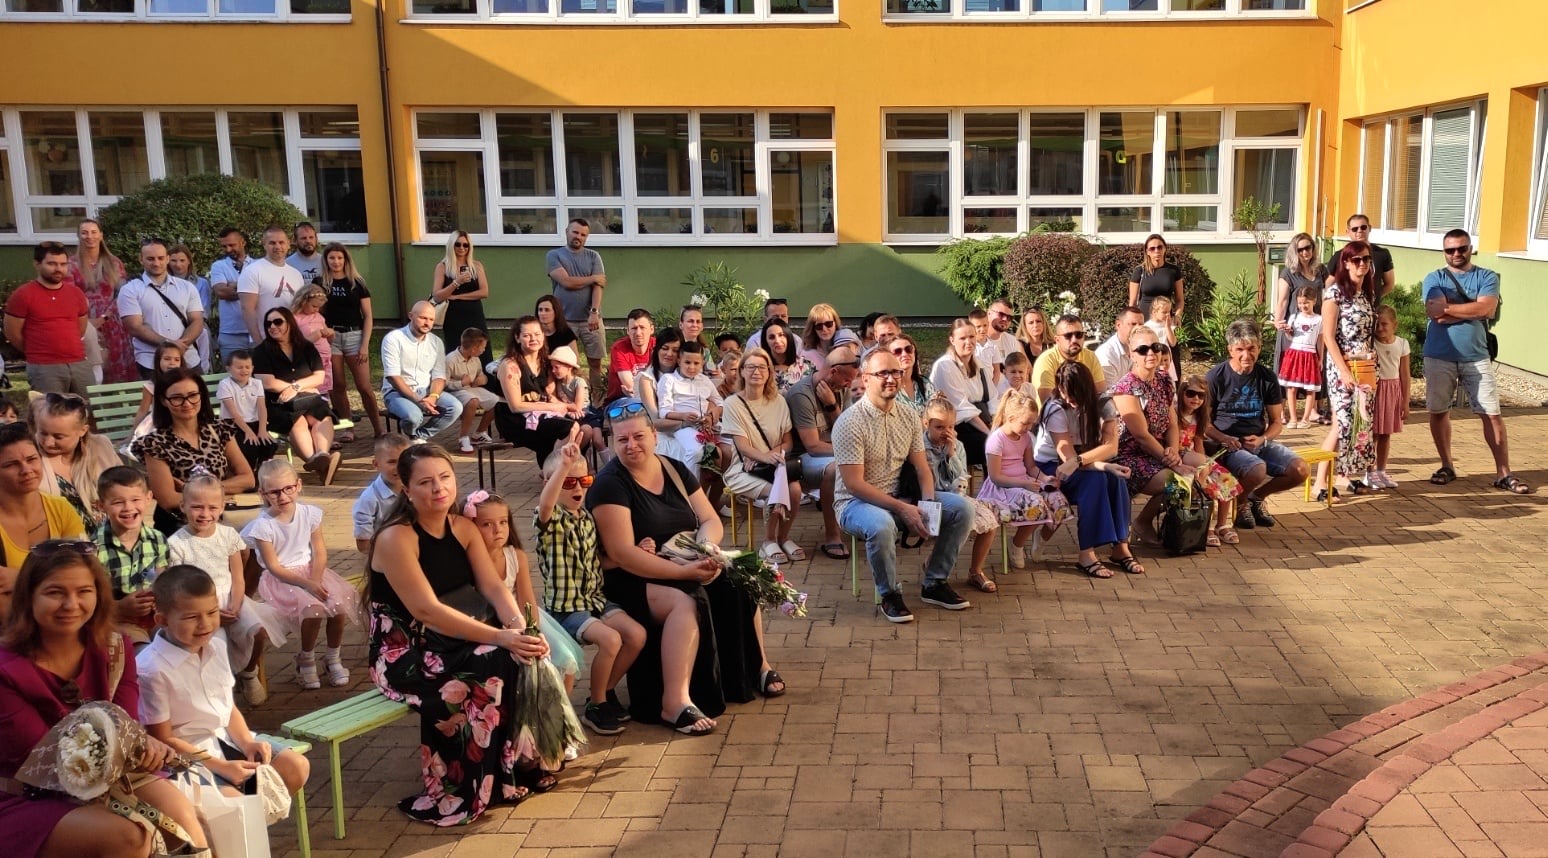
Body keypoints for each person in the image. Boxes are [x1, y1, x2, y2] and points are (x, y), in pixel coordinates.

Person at [365, 443, 560, 824]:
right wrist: (501, 637)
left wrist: (520, 628)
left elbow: (493, 588)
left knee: (517, 653)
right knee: (492, 660)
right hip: (405, 649)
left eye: (445, 477)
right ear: (406, 488)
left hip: (452, 636)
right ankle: (462, 786)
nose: (438, 488)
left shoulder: (464, 528)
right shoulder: (396, 538)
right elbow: (426, 610)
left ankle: (510, 770)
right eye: (425, 482)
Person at [0, 545, 208, 858]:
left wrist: (146, 746)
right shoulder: (6, 668)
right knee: (129, 837)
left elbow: (125, 722)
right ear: (28, 596)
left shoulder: (115, 649)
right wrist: (139, 744)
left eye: (84, 591)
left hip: (108, 774)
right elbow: (41, 757)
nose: (71, 604)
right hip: (28, 793)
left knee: (181, 815)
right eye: (55, 592)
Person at [587, 401, 738, 732]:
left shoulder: (674, 469)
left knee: (734, 580)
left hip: (677, 558)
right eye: (622, 439)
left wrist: (704, 549)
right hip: (626, 577)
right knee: (684, 601)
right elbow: (623, 554)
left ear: (654, 435)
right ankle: (674, 702)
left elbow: (710, 519)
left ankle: (751, 672)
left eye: (638, 436)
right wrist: (685, 572)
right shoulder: (610, 484)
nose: (631, 445)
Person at [137, 564, 308, 797]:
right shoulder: (151, 669)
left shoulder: (216, 646)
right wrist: (221, 767)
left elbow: (228, 708)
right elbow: (164, 738)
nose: (205, 624)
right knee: (234, 802)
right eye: (191, 617)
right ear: (163, 620)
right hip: (186, 759)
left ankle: (261, 816)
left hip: (227, 740)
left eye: (212, 612)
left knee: (295, 766)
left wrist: (247, 742)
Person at [834, 349, 973, 623]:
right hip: (856, 503)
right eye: (882, 373)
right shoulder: (849, 422)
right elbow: (854, 485)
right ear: (866, 378)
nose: (891, 378)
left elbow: (922, 468)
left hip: (901, 496)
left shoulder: (909, 416)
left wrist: (928, 506)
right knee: (881, 525)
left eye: (895, 372)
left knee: (962, 509)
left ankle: (934, 583)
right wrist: (903, 508)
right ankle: (889, 594)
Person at [536, 438, 647, 735]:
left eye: (584, 481)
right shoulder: (550, 519)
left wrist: (637, 552)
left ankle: (603, 692)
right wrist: (563, 465)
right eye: (568, 481)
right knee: (611, 640)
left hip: (595, 600)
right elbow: (546, 503)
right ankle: (597, 706)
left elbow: (598, 561)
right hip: (566, 608)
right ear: (549, 482)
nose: (578, 488)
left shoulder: (586, 518)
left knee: (636, 635)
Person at [1422, 228, 1525, 493]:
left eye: (1461, 248)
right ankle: (1447, 465)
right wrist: (1473, 311)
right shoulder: (1434, 278)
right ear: (1444, 252)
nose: (1456, 253)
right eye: (1450, 250)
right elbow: (1436, 314)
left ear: (1470, 249)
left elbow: (1487, 308)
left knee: (1491, 413)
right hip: (1439, 355)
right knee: (1439, 411)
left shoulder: (1486, 276)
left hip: (1476, 356)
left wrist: (1451, 308)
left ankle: (1503, 473)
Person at [167, 474, 285, 705]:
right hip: (199, 607)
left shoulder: (228, 535)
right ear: (183, 506)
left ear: (222, 507)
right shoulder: (176, 544)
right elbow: (179, 588)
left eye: (212, 507)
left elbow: (238, 578)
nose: (205, 514)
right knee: (214, 646)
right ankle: (220, 692)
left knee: (257, 630)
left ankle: (248, 672)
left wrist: (236, 605)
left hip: (231, 598)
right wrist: (210, 613)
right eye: (197, 507)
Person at [243, 459, 359, 690]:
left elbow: (319, 551)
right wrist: (306, 585)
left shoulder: (309, 514)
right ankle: (306, 659)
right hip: (281, 580)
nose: (283, 496)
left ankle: (333, 657)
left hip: (310, 572)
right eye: (275, 492)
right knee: (313, 609)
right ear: (263, 493)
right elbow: (274, 567)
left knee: (338, 606)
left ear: (298, 485)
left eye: (288, 488)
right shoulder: (263, 527)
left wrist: (314, 580)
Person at [464, 491, 582, 690]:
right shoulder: (467, 561)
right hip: (487, 623)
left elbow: (527, 599)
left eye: (503, 522)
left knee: (564, 658)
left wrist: (532, 631)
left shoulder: (516, 556)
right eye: (487, 524)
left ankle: (560, 707)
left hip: (522, 615)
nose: (498, 530)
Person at [1032, 362, 1138, 578]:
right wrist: (1101, 465)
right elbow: (1066, 458)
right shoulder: (1055, 408)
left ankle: (1121, 546)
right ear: (1060, 388)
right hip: (1052, 464)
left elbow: (1111, 447)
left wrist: (1102, 465)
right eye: (1067, 394)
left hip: (1083, 459)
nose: (1072, 401)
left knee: (1116, 479)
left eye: (1077, 395)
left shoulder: (1104, 402)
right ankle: (1086, 553)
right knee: (1095, 482)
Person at [1204, 320, 1309, 537]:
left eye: (1251, 348)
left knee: (1300, 470)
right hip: (1227, 444)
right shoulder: (1216, 377)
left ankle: (1255, 497)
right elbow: (1204, 424)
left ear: (1259, 348)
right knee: (1257, 469)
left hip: (1258, 441)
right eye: (1240, 349)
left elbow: (1277, 422)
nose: (1246, 355)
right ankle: (1242, 503)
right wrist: (1224, 438)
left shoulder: (1267, 377)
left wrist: (1263, 439)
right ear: (1230, 350)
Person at [132, 368, 256, 535]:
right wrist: (220, 493)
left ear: (201, 395)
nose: (187, 403)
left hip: (218, 522)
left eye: (192, 395)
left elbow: (248, 479)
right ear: (163, 401)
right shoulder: (155, 443)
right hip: (178, 527)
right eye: (177, 398)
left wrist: (193, 490)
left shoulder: (219, 430)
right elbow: (168, 499)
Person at [972, 390, 1070, 592]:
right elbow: (995, 476)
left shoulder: (1025, 438)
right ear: (1011, 418)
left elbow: (1030, 467)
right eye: (1025, 423)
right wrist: (1023, 485)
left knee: (1058, 501)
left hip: (1024, 482)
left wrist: (1044, 478)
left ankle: (1023, 543)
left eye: (1032, 424)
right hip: (1002, 488)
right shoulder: (996, 440)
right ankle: (1017, 544)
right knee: (1036, 503)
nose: (1028, 428)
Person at [721, 348, 804, 564]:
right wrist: (762, 457)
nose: (756, 371)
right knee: (774, 491)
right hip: (743, 469)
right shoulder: (732, 404)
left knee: (795, 490)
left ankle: (783, 537)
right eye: (751, 367)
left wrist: (766, 456)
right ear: (741, 371)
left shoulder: (779, 401)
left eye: (762, 367)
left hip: (772, 466)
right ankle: (768, 541)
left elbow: (788, 442)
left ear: (769, 372)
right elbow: (742, 446)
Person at [1109, 326, 1187, 548]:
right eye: (1143, 349)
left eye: (1156, 347)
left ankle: (1189, 528)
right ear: (1131, 354)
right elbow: (1141, 436)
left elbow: (1172, 422)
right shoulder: (1126, 388)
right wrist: (1172, 462)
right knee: (1178, 483)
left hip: (1159, 449)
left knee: (1202, 467)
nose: (1151, 353)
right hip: (1130, 456)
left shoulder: (1163, 380)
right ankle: (1143, 523)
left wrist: (1174, 451)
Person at [1312, 239, 1378, 500]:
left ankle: (1343, 474)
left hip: (1365, 367)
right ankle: (1319, 482)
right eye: (1356, 259)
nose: (1362, 264)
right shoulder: (1334, 293)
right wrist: (1344, 371)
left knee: (1359, 422)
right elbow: (1328, 337)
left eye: (1366, 259)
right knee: (1342, 424)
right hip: (1343, 367)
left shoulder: (1365, 294)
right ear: (1346, 263)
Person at [786, 345, 860, 559]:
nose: (850, 385)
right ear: (833, 371)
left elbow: (847, 430)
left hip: (834, 450)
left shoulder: (840, 390)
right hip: (802, 458)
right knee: (835, 470)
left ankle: (862, 522)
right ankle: (832, 536)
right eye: (847, 379)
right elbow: (813, 446)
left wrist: (831, 406)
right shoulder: (802, 394)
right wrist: (850, 453)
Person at [252, 308, 340, 485]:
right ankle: (317, 461)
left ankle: (321, 457)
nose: (272, 327)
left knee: (322, 415)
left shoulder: (306, 347)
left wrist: (296, 387)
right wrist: (297, 388)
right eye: (268, 324)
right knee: (297, 420)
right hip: (278, 403)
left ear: (289, 324)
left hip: (307, 399)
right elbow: (267, 382)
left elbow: (319, 376)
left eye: (277, 322)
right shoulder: (262, 351)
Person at [0, 422, 88, 580]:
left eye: (32, 459)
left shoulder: (60, 508)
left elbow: (81, 571)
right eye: (11, 464)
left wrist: (19, 579)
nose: (26, 470)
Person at [3, 242, 92, 396]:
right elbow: (12, 333)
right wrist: (37, 350)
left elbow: (80, 328)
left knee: (88, 407)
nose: (58, 269)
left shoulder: (76, 293)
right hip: (44, 366)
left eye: (63, 264)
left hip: (79, 363)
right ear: (37, 264)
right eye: (51, 264)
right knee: (51, 409)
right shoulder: (23, 295)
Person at [93, 466, 167, 648]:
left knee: (178, 642)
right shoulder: (95, 548)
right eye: (118, 502)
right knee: (142, 651)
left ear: (148, 498)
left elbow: (161, 578)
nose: (128, 508)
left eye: (135, 499)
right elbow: (92, 596)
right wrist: (119, 607)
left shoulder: (157, 539)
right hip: (118, 619)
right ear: (101, 505)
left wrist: (157, 599)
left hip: (155, 616)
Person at [318, 242, 384, 439]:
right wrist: (324, 332)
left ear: (346, 260)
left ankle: (378, 428)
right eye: (332, 258)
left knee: (364, 386)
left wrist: (365, 345)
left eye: (340, 258)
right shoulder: (320, 282)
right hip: (332, 337)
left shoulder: (357, 283)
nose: (336, 261)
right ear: (326, 260)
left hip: (355, 336)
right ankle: (348, 428)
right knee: (338, 385)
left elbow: (368, 316)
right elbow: (316, 312)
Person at [119, 238, 205, 377]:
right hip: (151, 361)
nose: (156, 263)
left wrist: (180, 345)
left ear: (167, 258)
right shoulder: (130, 290)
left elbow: (197, 321)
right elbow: (135, 327)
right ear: (141, 259)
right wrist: (169, 344)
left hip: (188, 358)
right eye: (150, 259)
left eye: (160, 258)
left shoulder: (187, 287)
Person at [492, 316, 575, 460]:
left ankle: (559, 469)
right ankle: (556, 467)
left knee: (585, 429)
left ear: (543, 335)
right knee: (569, 428)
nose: (533, 339)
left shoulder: (545, 363)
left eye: (537, 334)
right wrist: (553, 407)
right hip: (514, 420)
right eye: (527, 335)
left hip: (540, 415)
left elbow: (552, 395)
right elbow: (516, 406)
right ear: (517, 338)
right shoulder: (510, 365)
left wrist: (570, 406)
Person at [34, 392, 120, 529]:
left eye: (58, 437)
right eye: (43, 433)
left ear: (83, 430)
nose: (48, 443)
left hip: (111, 532)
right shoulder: (30, 455)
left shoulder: (100, 447)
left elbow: (124, 489)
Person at [381, 301, 463, 443]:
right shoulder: (393, 339)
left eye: (431, 319)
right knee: (414, 417)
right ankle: (412, 436)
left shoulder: (436, 342)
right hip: (396, 392)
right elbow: (393, 377)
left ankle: (418, 436)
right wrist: (418, 400)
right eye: (423, 318)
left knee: (455, 407)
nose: (427, 323)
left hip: (425, 391)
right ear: (411, 316)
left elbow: (439, 377)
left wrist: (433, 397)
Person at [1176, 375, 1242, 547]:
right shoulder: (1175, 414)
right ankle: (1207, 525)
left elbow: (1199, 443)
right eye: (1191, 393)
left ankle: (1222, 524)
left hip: (1194, 456)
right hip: (1179, 455)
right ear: (1182, 393)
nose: (1196, 399)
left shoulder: (1199, 417)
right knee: (1207, 486)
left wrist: (1206, 463)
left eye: (1201, 395)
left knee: (1225, 479)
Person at [547, 218, 607, 398]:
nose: (578, 237)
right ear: (567, 231)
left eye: (583, 235)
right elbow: (566, 282)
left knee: (595, 363)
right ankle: (568, 399)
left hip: (591, 319)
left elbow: (598, 287)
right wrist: (592, 278)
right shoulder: (554, 255)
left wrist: (594, 312)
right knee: (566, 364)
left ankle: (596, 400)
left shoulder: (594, 256)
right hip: (564, 321)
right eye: (575, 232)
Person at [71, 219, 135, 385]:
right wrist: (87, 322)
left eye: (94, 232)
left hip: (113, 321)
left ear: (101, 235)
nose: (89, 236)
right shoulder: (71, 265)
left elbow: (122, 294)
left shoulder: (114, 263)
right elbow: (69, 296)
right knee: (93, 370)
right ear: (78, 236)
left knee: (117, 367)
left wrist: (104, 317)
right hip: (84, 321)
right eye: (84, 232)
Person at [1273, 232, 1329, 409]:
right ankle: (1280, 410)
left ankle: (1315, 409)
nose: (1305, 252)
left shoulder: (1321, 270)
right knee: (1287, 368)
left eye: (1308, 247)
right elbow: (1282, 301)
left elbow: (1331, 292)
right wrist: (1278, 322)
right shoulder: (1288, 273)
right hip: (1294, 328)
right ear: (1294, 251)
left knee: (1315, 364)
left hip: (1315, 326)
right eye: (1300, 249)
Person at [930, 319, 996, 468]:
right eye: (962, 338)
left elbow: (992, 398)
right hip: (956, 428)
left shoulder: (979, 365)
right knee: (993, 446)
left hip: (981, 422)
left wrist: (996, 426)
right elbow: (962, 408)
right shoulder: (945, 366)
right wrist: (990, 434)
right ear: (952, 340)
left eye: (972, 337)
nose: (968, 342)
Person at [656, 342, 723, 479]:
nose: (691, 367)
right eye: (687, 362)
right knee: (695, 451)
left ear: (702, 362)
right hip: (685, 426)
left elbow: (720, 402)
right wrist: (683, 416)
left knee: (733, 444)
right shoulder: (669, 380)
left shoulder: (704, 380)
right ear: (679, 360)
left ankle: (722, 489)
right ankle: (690, 487)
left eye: (696, 363)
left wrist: (711, 415)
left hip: (708, 424)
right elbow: (664, 412)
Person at [431, 231, 492, 367]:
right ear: (451, 245)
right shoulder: (443, 267)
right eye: (457, 244)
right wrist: (456, 282)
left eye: (466, 245)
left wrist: (458, 296)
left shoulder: (476, 266)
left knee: (481, 346)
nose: (462, 248)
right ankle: (455, 377)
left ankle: (485, 377)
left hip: (474, 314)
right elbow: (437, 295)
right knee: (455, 346)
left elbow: (484, 292)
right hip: (453, 315)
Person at [238, 224, 306, 346]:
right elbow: (247, 309)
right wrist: (260, 343)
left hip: (293, 341)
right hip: (266, 340)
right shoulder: (252, 271)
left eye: (281, 242)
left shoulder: (296, 274)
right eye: (272, 243)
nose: (277, 246)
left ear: (288, 244)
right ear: (264, 244)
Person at [1368, 305, 1411, 491]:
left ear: (1395, 325)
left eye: (1384, 324)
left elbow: (1405, 374)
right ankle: (1369, 473)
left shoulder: (1402, 344)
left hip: (1392, 391)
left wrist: (1405, 401)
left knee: (1386, 433)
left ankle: (1381, 470)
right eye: (1376, 324)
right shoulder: (1371, 344)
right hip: (1375, 391)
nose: (1380, 328)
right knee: (1373, 434)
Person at [216, 349, 280, 474]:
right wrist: (248, 432)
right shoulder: (225, 385)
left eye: (247, 367)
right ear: (228, 369)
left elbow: (262, 408)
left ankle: (260, 470)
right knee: (249, 446)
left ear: (252, 368)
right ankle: (247, 474)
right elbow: (233, 413)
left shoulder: (257, 383)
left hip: (254, 422)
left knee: (269, 443)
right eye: (239, 367)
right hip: (232, 424)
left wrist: (262, 429)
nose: (244, 370)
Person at [1032, 314, 1109, 406]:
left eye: (1079, 335)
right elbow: (1049, 403)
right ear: (1057, 339)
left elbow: (1101, 394)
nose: (1074, 340)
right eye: (1068, 336)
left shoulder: (1090, 356)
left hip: (1086, 411)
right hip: (1057, 413)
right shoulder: (1046, 361)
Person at [353, 433, 411, 553]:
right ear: (376, 464)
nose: (398, 467)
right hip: (385, 554)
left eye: (403, 461)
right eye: (392, 462)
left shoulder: (415, 489)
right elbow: (363, 544)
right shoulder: (369, 499)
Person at [445, 328, 500, 454]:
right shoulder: (450, 360)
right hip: (456, 391)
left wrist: (483, 379)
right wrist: (461, 383)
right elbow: (443, 384)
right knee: (472, 401)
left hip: (472, 389)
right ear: (474, 349)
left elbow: (481, 375)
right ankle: (463, 437)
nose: (484, 350)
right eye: (483, 347)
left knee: (496, 402)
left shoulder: (475, 359)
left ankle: (479, 433)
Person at [1279, 285, 1325, 429]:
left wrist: (1320, 358)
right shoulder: (1294, 317)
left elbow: (1320, 340)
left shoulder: (1319, 320)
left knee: (1310, 389)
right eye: (1300, 303)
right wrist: (1287, 331)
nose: (1303, 306)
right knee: (1292, 387)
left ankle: (1305, 419)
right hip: (1294, 353)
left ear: (1314, 301)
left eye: (1306, 302)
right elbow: (1290, 336)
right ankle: (1293, 418)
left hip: (1310, 355)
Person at [167, 244, 213, 379]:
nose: (178, 265)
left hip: (196, 326)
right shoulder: (163, 284)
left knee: (203, 335)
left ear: (188, 261)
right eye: (174, 260)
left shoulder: (201, 283)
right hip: (172, 327)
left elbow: (204, 311)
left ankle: (204, 375)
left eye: (182, 260)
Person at [1326, 214, 1395, 300]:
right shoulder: (1339, 255)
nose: (1359, 231)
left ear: (1369, 228)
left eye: (1363, 227)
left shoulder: (1382, 254)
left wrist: (1373, 298)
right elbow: (1328, 284)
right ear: (1348, 232)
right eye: (1355, 229)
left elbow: (1389, 284)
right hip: (1347, 305)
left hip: (1371, 306)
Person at [210, 226, 253, 362]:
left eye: (232, 245)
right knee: (232, 373)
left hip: (256, 330)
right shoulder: (218, 266)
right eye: (224, 246)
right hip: (230, 333)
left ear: (243, 242)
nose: (228, 249)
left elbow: (264, 292)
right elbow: (221, 291)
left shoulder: (258, 265)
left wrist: (233, 285)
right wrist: (251, 290)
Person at [289, 283, 335, 399]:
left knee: (324, 388)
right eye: (314, 306)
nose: (316, 310)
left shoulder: (319, 317)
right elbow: (295, 343)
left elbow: (329, 340)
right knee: (311, 389)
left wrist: (330, 333)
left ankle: (323, 404)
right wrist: (315, 336)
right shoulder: (295, 319)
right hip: (309, 361)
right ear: (303, 301)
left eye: (319, 307)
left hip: (324, 359)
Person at [1128, 233, 1185, 321]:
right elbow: (1132, 302)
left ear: (1165, 249)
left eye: (1160, 247)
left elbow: (1180, 300)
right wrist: (1133, 321)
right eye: (1152, 248)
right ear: (1147, 252)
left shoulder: (1173, 270)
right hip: (1144, 321)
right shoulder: (1139, 271)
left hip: (1166, 321)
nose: (1156, 251)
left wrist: (1177, 316)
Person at [604, 309, 655, 403]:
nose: (638, 333)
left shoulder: (659, 346)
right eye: (634, 328)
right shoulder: (619, 349)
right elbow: (630, 386)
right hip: (621, 401)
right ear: (628, 331)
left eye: (642, 327)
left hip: (653, 398)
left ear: (651, 329)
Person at [1094, 306, 1145, 388]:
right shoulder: (1106, 355)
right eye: (1133, 324)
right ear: (1118, 325)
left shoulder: (1144, 349)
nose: (1138, 328)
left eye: (1141, 324)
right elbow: (1110, 392)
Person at [799, 303, 861, 371]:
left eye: (828, 324)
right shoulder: (807, 355)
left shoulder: (846, 345)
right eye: (819, 326)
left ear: (835, 323)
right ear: (813, 328)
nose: (824, 329)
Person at [760, 318, 814, 394]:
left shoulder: (807, 366)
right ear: (766, 342)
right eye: (771, 337)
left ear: (788, 337)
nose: (777, 341)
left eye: (781, 335)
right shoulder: (761, 369)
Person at [979, 300, 1023, 390]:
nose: (1005, 319)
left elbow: (1021, 371)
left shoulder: (1012, 341)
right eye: (1001, 314)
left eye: (1009, 317)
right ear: (989, 313)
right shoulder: (977, 342)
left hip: (1011, 394)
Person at [887, 334, 933, 410]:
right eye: (897, 351)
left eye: (908, 349)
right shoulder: (888, 388)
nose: (904, 354)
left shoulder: (925, 383)